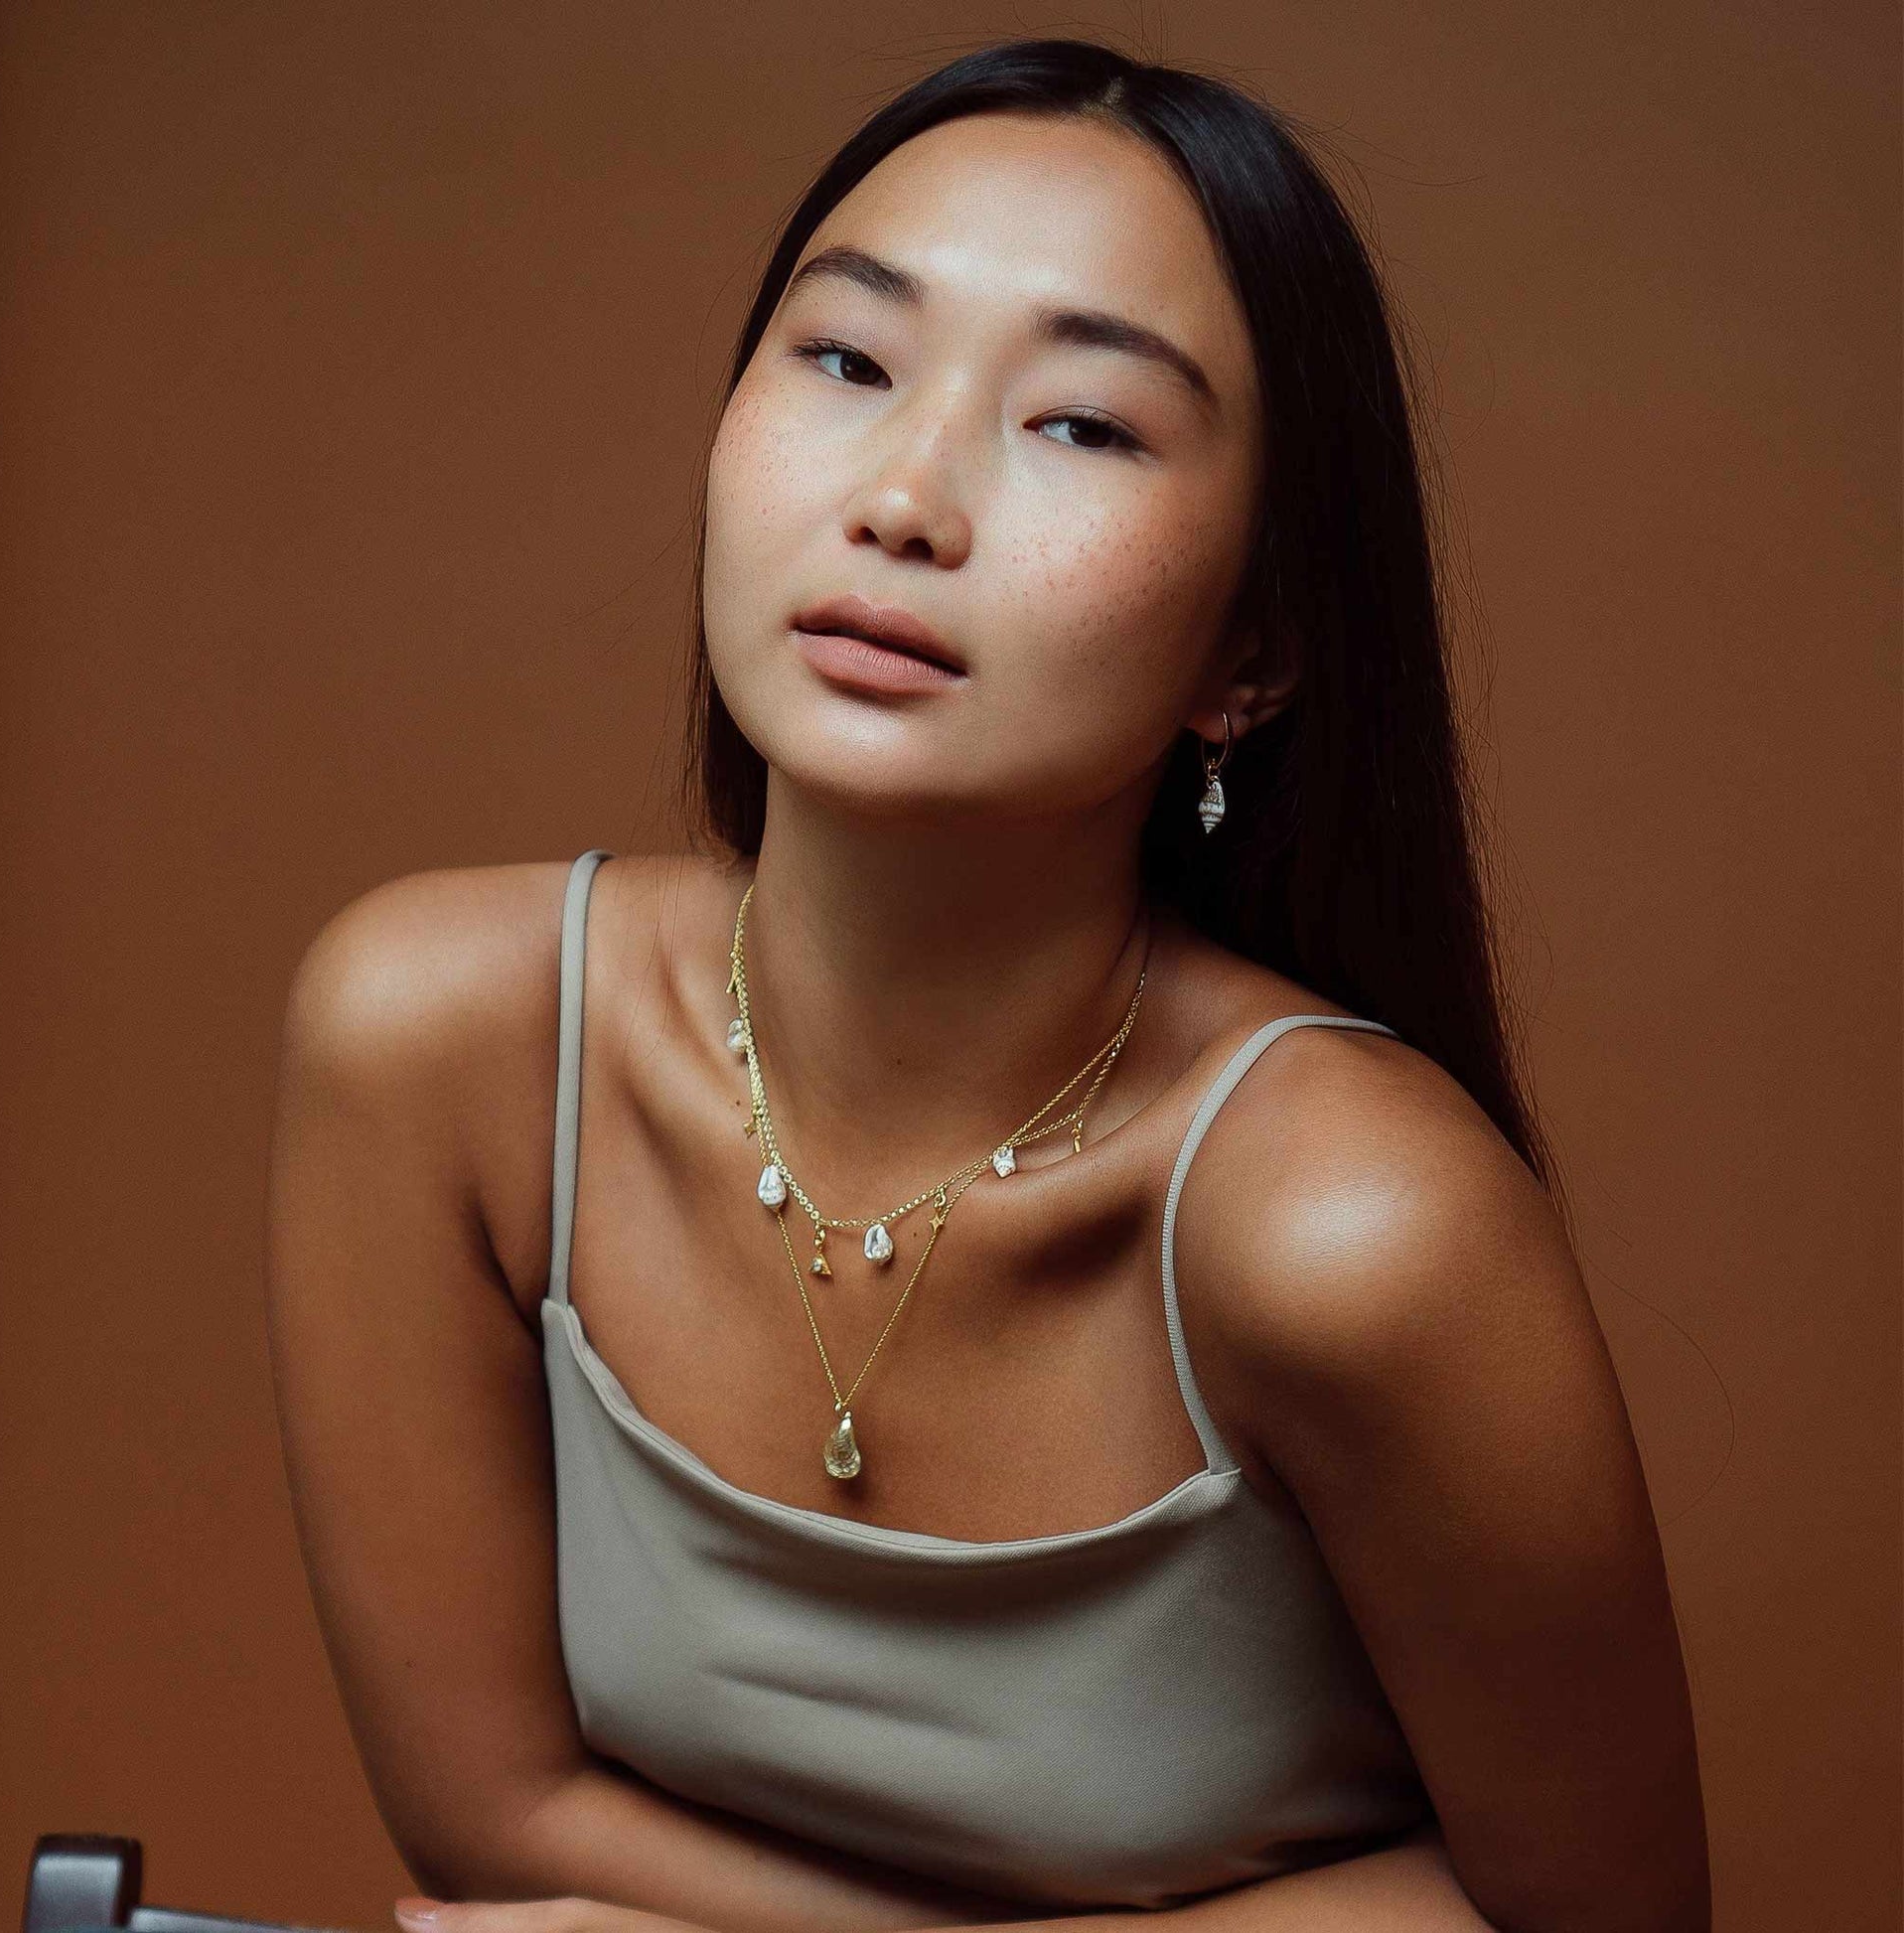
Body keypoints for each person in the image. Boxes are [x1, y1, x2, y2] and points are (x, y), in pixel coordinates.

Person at [264, 37, 1709, 1933]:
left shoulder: (1357, 1230)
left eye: (1083, 425)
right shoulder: (438, 1046)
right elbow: (496, 1819)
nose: (903, 497)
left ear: (1254, 650)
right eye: (848, 360)